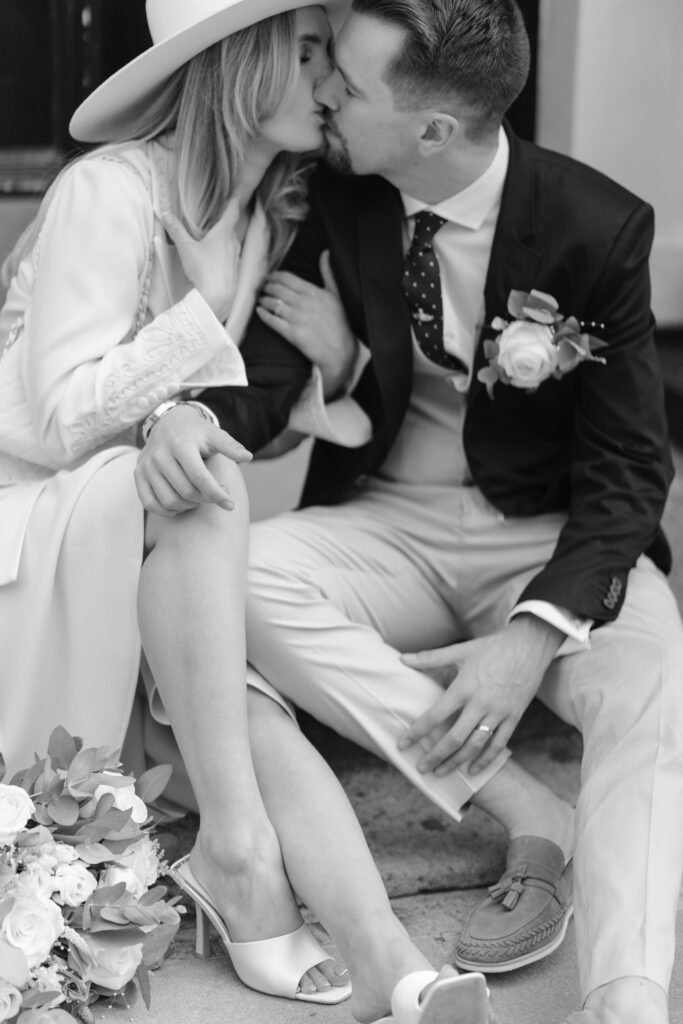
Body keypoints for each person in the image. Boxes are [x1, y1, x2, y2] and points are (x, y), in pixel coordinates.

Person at [137, 1, 683, 1023]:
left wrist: (531, 636)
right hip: (389, 523)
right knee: (227, 578)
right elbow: (264, 372)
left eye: (346, 77)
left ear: (431, 129)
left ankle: (626, 1000)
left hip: (548, 537)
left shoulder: (593, 226)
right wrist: (191, 418)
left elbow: (625, 472)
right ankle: (520, 804)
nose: (323, 91)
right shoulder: (341, 190)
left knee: (655, 680)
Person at [0, 0, 494, 1020]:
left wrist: (331, 362)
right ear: (240, 65)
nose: (330, 82)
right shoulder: (109, 190)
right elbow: (50, 422)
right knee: (205, 488)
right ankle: (237, 856)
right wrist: (186, 383)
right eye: (309, 53)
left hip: (132, 518)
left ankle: (392, 962)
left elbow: (252, 411)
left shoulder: (266, 211)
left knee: (232, 690)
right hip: (29, 509)